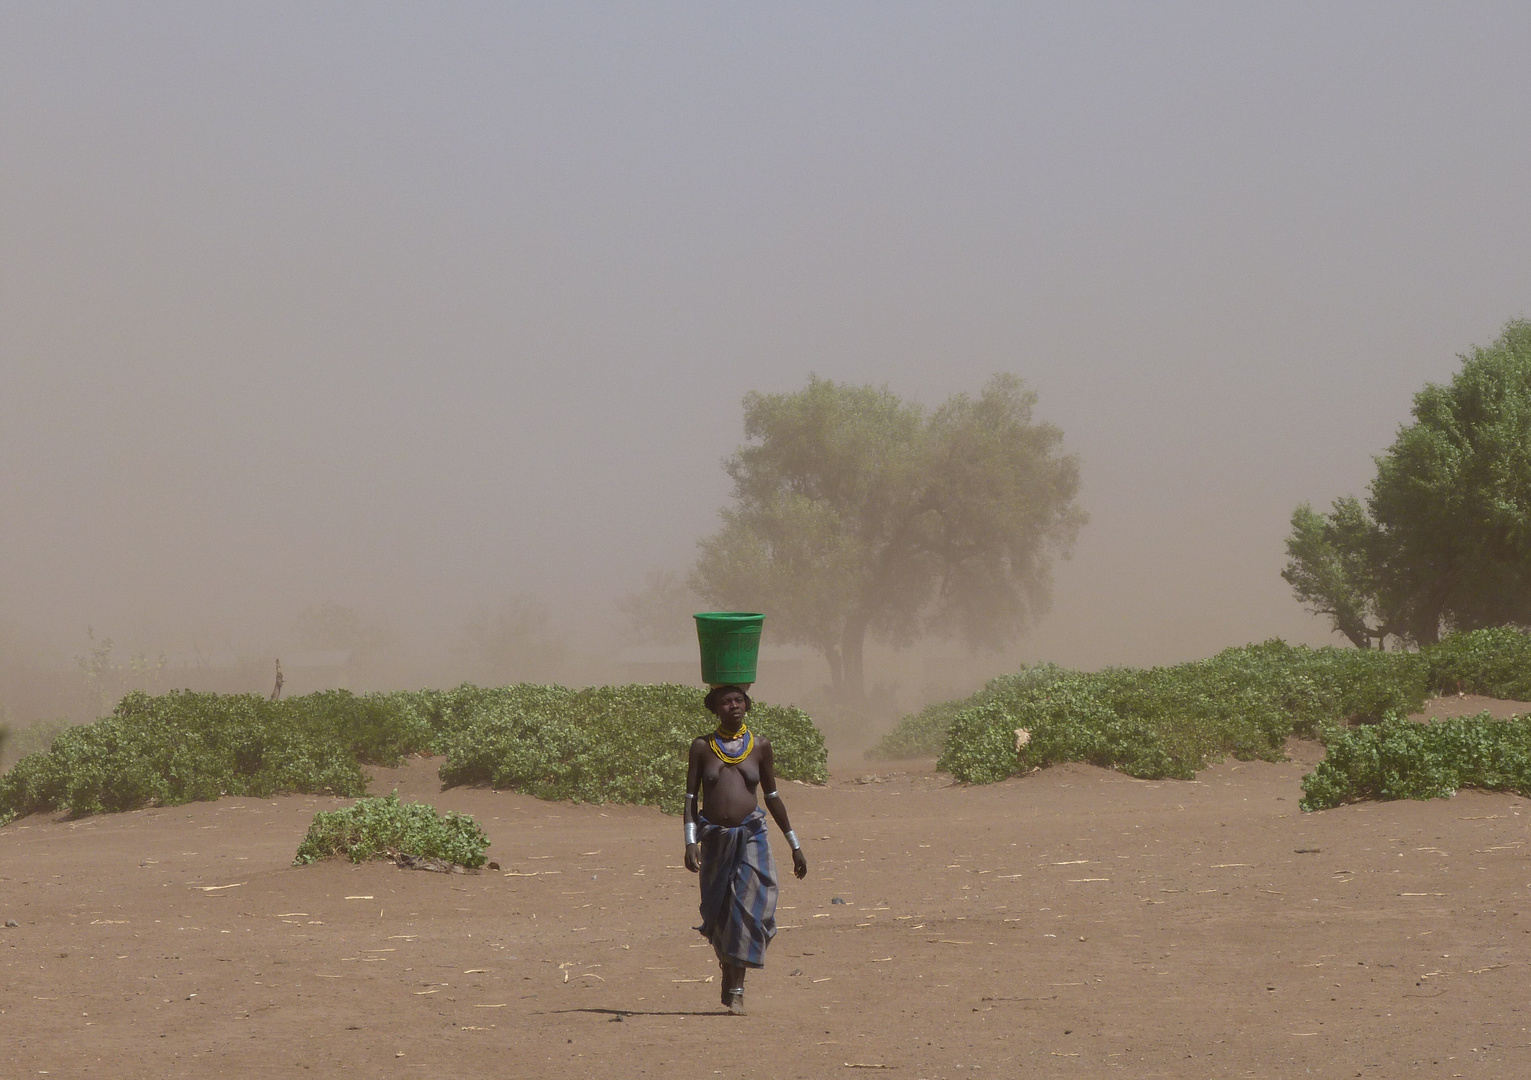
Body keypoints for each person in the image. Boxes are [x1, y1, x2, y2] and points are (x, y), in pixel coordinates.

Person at [684, 684, 808, 1015]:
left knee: (749, 908)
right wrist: (690, 841)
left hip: (752, 835)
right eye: (726, 702)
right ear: (714, 708)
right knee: (722, 913)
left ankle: (737, 990)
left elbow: (772, 797)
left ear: (747, 704)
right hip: (714, 839)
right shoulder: (701, 747)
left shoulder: (760, 747)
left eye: (738, 700)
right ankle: (729, 973)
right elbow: (690, 799)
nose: (733, 706)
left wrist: (794, 844)